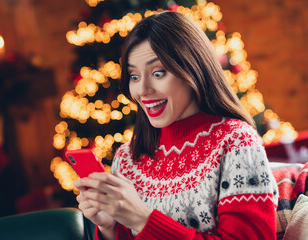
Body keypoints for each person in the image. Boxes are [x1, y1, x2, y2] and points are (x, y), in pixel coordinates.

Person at [74, 11, 278, 240]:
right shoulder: (126, 159)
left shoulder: (236, 141)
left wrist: (143, 220)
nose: (142, 90)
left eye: (158, 73)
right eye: (134, 76)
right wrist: (109, 228)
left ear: (192, 69)